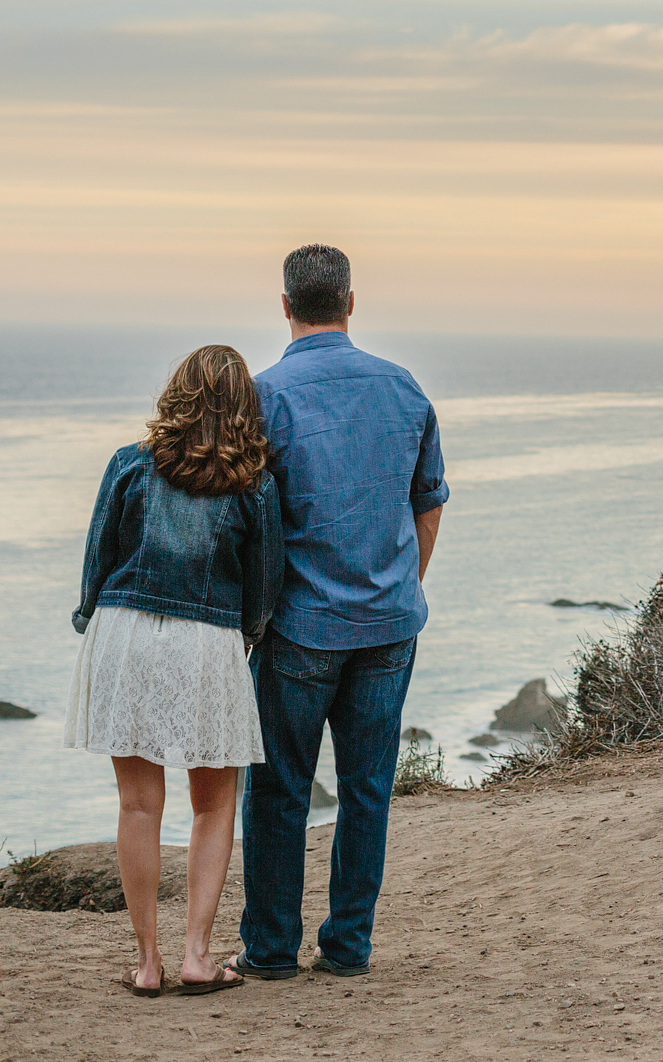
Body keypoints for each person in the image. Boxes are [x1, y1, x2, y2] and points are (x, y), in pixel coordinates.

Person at [226, 244, 448, 981]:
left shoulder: (264, 396)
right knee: (367, 789)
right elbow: (429, 501)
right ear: (351, 302)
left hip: (298, 627)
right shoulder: (404, 388)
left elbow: (245, 519)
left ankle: (270, 950)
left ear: (285, 305)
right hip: (388, 623)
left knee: (280, 790)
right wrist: (401, 583)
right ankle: (348, 944)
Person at [66, 344, 282, 998]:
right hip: (209, 637)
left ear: (177, 395)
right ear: (245, 405)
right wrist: (246, 638)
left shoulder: (130, 463)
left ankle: (147, 963)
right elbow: (263, 587)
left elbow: (98, 555)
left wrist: (88, 621)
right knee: (214, 804)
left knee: (137, 803)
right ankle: (196, 955)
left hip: (124, 631)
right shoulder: (254, 482)